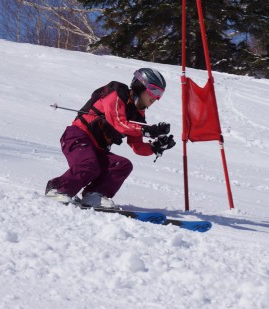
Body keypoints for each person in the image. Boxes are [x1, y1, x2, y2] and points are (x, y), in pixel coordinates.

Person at [45, 68, 176, 207]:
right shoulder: (117, 94)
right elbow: (118, 123)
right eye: (154, 91)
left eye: (160, 94)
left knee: (122, 165)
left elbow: (137, 146)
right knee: (89, 164)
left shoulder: (138, 115)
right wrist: (146, 130)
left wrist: (155, 147)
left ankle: (94, 195)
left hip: (97, 148)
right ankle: (58, 189)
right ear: (140, 85)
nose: (156, 98)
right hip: (78, 136)